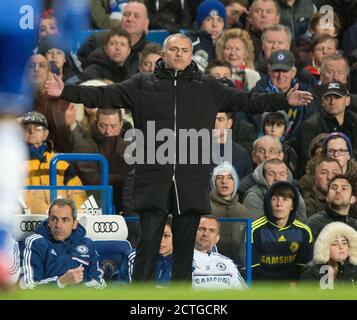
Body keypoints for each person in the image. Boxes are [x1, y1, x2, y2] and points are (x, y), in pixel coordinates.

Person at [45, 33, 312, 283]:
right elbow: (103, 95)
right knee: (148, 247)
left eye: (185, 50)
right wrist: (66, 91)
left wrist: (283, 100)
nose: (180, 54)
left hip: (191, 182)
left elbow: (249, 101)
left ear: (191, 55)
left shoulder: (207, 87)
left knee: (185, 253)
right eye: (174, 49)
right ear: (163, 53)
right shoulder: (141, 84)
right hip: (152, 180)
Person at [21, 198, 106, 289]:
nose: (58, 225)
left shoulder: (87, 244)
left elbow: (100, 282)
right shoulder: (36, 243)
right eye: (54, 219)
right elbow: (28, 287)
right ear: (48, 222)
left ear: (74, 224)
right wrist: (61, 282)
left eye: (65, 220)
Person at [21, 111, 87, 214]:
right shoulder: (14, 162)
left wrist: (75, 213)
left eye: (38, 128)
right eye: (28, 128)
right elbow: (18, 194)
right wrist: (46, 211)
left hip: (62, 219)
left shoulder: (60, 162)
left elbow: (77, 191)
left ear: (45, 134)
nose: (32, 132)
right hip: (29, 219)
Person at [251, 181, 313, 281]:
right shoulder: (254, 230)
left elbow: (304, 268)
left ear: (293, 205)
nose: (279, 204)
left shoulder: (304, 231)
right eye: (275, 199)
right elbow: (252, 271)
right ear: (268, 203)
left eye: (285, 199)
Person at [73, 108, 132, 212]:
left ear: (121, 124)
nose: (108, 131)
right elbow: (92, 182)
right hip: (93, 208)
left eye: (113, 126)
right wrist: (123, 179)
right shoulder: (84, 147)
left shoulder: (128, 148)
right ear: (96, 124)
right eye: (103, 126)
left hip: (125, 207)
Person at [298, 82, 357, 171]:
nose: (332, 102)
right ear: (322, 101)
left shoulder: (355, 121)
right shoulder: (310, 126)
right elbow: (308, 162)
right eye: (328, 98)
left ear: (347, 100)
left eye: (337, 97)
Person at [209, 161, 253, 262]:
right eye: (219, 177)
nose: (224, 181)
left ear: (235, 182)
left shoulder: (244, 212)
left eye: (230, 177)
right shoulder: (204, 209)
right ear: (213, 182)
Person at [193, 215, 247, 289]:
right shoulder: (181, 261)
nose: (205, 234)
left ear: (217, 238)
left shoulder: (227, 263)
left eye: (212, 230)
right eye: (202, 229)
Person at [301, 222, 357, 288]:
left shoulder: (354, 269)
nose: (341, 247)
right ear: (324, 247)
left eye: (344, 243)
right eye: (335, 244)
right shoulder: (312, 271)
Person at [119, 217, 173, 283]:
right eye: (157, 235)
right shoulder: (134, 257)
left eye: (166, 235)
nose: (161, 240)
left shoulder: (185, 261)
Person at [307, 174, 357, 239]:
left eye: (344, 188)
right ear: (327, 197)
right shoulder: (314, 223)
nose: (338, 191)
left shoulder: (354, 225)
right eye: (334, 188)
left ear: (352, 199)